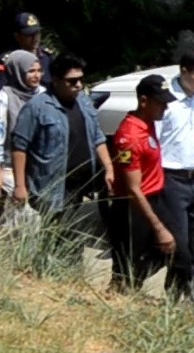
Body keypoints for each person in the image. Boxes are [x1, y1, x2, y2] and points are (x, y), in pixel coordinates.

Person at [10, 53, 114, 215]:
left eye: (81, 79)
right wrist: (20, 186)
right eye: (72, 81)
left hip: (82, 184)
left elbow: (97, 137)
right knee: (54, 231)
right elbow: (19, 147)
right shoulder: (36, 108)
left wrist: (109, 168)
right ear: (56, 81)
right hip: (51, 187)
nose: (79, 85)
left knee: (74, 228)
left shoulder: (83, 101)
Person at [108, 75, 179, 291]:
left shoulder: (147, 125)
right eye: (161, 103)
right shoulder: (128, 137)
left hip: (154, 199)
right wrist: (157, 227)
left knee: (174, 250)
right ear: (144, 101)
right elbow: (132, 189)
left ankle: (131, 287)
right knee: (129, 265)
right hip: (134, 208)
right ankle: (122, 291)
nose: (165, 108)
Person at [157, 51, 194, 302]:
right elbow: (156, 142)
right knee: (180, 248)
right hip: (173, 179)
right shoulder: (166, 99)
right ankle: (172, 299)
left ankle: (193, 301)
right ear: (183, 72)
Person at [0, 51, 46, 203]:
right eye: (31, 71)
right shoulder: (5, 98)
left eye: (39, 71)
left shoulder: (43, 94)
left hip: (39, 165)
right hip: (10, 166)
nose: (36, 76)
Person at [0, 12, 54, 89]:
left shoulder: (47, 57)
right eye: (29, 34)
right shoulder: (8, 61)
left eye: (37, 33)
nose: (35, 37)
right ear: (17, 36)